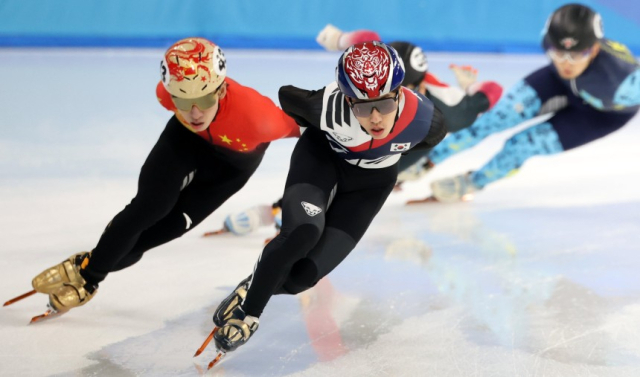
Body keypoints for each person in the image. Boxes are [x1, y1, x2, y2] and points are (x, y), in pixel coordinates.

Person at [16, 37, 300, 318]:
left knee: (164, 229)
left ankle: (86, 265)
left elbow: (318, 130)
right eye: (183, 100)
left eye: (204, 98)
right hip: (184, 140)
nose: (195, 112)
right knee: (150, 206)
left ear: (222, 89)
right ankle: (88, 278)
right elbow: (187, 110)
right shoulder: (167, 96)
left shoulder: (261, 118)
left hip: (229, 169)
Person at [209, 41, 447, 355]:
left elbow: (422, 141)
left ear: (400, 93)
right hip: (322, 160)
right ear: (348, 99)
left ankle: (253, 283)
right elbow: (287, 96)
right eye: (362, 107)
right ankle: (248, 312)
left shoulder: (427, 121)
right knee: (303, 233)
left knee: (301, 279)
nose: (375, 117)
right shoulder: (326, 107)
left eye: (385, 105)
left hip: (371, 185)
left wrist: (384, 150)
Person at [423, 3, 640, 202]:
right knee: (493, 119)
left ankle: (467, 185)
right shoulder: (555, 47)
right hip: (559, 83)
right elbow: (565, 59)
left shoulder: (623, 81)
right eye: (558, 53)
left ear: (594, 49)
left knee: (523, 145)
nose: (567, 63)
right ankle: (422, 161)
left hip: (600, 115)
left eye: (577, 55)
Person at [316, 24, 503, 180]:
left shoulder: (449, 109)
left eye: (398, 91)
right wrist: (337, 39)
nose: (386, 97)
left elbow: (492, 92)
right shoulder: (372, 65)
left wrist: (470, 86)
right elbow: (367, 37)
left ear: (420, 87)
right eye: (383, 87)